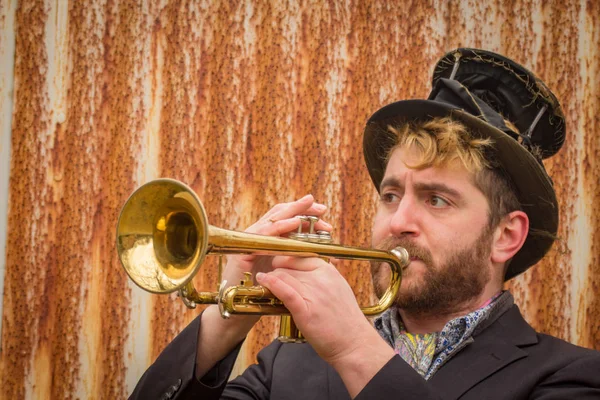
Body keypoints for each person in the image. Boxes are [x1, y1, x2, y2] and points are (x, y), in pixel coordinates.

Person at [129, 48, 600, 400]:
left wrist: (357, 350)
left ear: (506, 236)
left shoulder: (570, 377)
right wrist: (226, 319)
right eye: (390, 195)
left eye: (436, 199)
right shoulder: (286, 364)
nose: (399, 221)